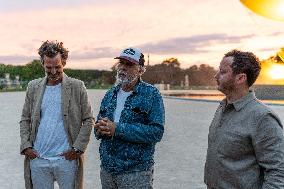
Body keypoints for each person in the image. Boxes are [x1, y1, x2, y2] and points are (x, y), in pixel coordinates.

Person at [204, 49, 284, 189]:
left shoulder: (263, 117)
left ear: (240, 78)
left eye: (223, 72)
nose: (216, 76)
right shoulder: (222, 107)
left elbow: (278, 171)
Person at [20, 40, 94, 189]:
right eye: (48, 68)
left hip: (67, 159)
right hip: (38, 158)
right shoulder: (33, 87)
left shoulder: (77, 86)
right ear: (42, 64)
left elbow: (88, 119)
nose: (53, 72)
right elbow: (25, 119)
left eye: (57, 67)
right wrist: (26, 146)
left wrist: (77, 149)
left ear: (64, 63)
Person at [94, 47, 165, 189]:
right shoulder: (110, 94)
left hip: (136, 172)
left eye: (129, 64)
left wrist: (117, 129)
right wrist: (99, 129)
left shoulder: (151, 94)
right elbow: (98, 126)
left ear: (140, 69)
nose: (123, 68)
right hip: (107, 170)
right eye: (122, 63)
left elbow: (156, 132)